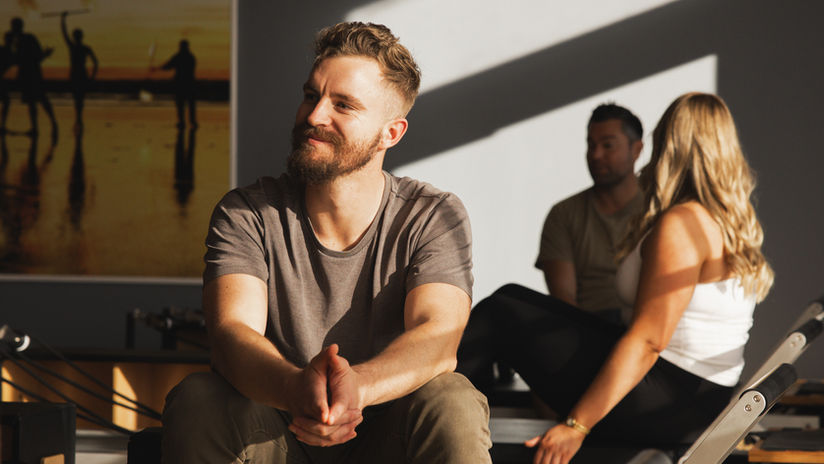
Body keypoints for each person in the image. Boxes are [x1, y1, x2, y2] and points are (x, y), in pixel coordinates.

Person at [161, 22, 491, 464]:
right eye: (311, 95)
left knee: (452, 398)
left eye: (343, 105)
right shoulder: (247, 213)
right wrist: (295, 388)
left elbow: (438, 338)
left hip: (385, 442)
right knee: (199, 396)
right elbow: (231, 335)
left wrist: (358, 387)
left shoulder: (433, 215)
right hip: (276, 435)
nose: (315, 116)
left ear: (391, 133)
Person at [457, 92, 773, 464]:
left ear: (668, 147)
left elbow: (649, 340)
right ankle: (450, 425)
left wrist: (576, 426)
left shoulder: (682, 224)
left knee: (501, 311)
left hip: (668, 398)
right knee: (512, 301)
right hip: (698, 397)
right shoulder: (722, 221)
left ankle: (421, 424)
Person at [535, 104, 644, 322]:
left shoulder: (659, 207)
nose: (596, 155)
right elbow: (563, 299)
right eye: (591, 145)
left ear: (636, 149)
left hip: (645, 324)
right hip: (585, 327)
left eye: (608, 145)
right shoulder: (563, 214)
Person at [5, 17, 58, 141]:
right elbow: (16, 58)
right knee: (33, 101)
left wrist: (44, 54)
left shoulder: (28, 38)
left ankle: (51, 123)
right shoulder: (17, 40)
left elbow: (33, 57)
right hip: (27, 73)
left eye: (14, 26)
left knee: (40, 99)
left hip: (32, 73)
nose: (12, 28)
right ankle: (37, 127)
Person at [60, 11, 98, 129]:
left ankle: (78, 119)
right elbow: (96, 63)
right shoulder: (83, 48)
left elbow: (64, 34)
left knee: (78, 98)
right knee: (79, 98)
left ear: (76, 36)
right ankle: (78, 119)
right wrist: (92, 77)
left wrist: (63, 19)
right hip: (79, 74)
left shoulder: (76, 47)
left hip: (77, 74)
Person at [157, 39, 196, 128]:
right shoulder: (191, 57)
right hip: (190, 83)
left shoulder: (179, 57)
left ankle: (182, 122)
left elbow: (169, 65)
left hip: (181, 83)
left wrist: (158, 68)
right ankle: (192, 122)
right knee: (190, 104)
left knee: (180, 104)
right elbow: (169, 65)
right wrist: (159, 68)